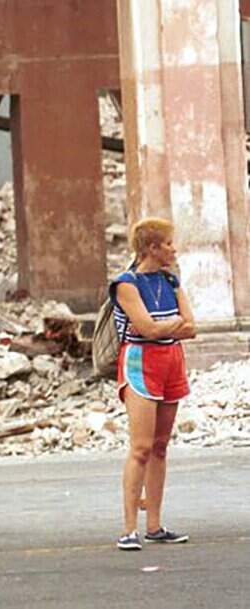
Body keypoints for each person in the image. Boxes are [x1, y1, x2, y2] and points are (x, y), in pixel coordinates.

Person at [110, 217, 195, 551]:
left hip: (171, 360)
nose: (174, 249)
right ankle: (129, 527)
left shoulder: (170, 281)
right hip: (140, 362)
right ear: (151, 247)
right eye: (168, 243)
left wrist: (164, 327)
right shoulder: (126, 284)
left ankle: (155, 525)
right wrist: (172, 324)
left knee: (160, 445)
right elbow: (147, 329)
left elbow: (192, 327)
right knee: (141, 447)